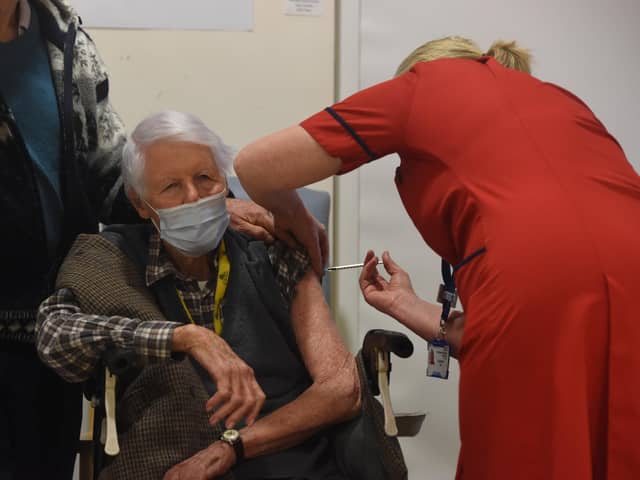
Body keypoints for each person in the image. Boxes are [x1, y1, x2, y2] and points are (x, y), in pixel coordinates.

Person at [233, 36, 640, 479]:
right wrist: (409, 306)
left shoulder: (421, 86)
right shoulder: (561, 102)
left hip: (530, 283)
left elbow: (256, 165)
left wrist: (295, 217)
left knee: (517, 451)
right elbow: (556, 309)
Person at [0, 1, 280, 478]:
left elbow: (112, 172)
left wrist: (201, 205)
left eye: (205, 179)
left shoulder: (62, 34)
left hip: (43, 323)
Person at [35, 111, 362, 480]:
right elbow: (54, 337)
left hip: (288, 462)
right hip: (169, 464)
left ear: (225, 184)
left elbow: (342, 389)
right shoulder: (111, 259)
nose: (193, 197)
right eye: (171, 187)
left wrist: (232, 447)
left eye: (205, 178)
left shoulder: (272, 250)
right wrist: (184, 338)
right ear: (140, 204)